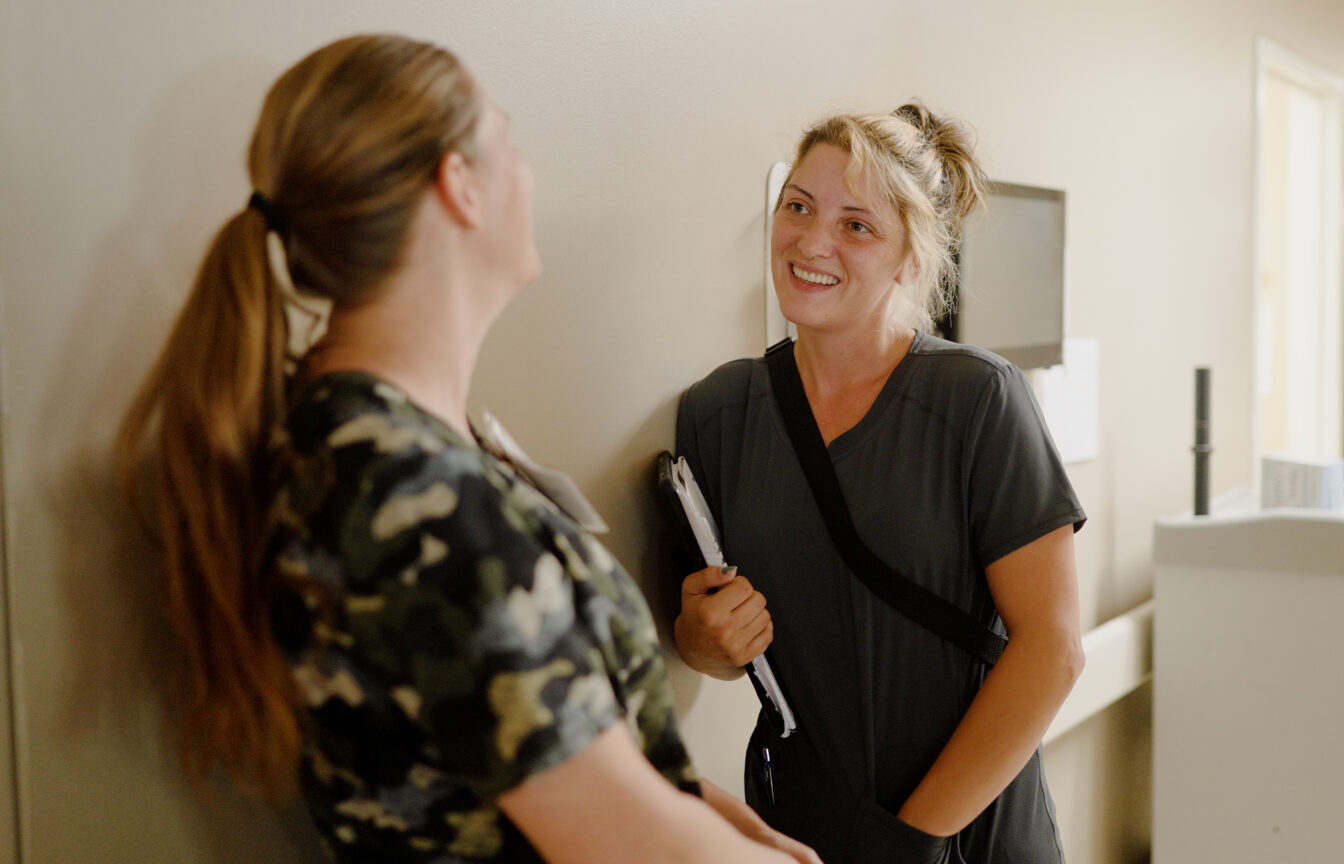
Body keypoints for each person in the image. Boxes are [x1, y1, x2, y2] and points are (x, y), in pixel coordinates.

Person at [115, 33, 820, 864]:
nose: (529, 174)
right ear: (460, 187)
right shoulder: (405, 491)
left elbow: (525, 738)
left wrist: (696, 805)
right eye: (511, 146)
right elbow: (626, 846)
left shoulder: (374, 442)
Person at [673, 103, 1086, 863]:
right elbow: (713, 640)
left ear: (910, 259)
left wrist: (911, 840)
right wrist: (702, 640)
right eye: (797, 206)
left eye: (856, 225)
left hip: (967, 830)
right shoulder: (717, 413)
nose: (812, 240)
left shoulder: (978, 399)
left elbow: (1052, 650)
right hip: (804, 825)